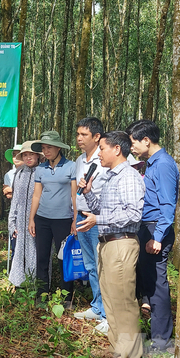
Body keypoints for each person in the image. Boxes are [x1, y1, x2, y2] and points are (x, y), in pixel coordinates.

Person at [77, 131, 146, 358]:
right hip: (106, 244)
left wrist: (99, 218)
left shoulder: (129, 176)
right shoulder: (110, 177)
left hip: (121, 245)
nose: (100, 154)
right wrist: (88, 194)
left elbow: (133, 215)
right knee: (110, 300)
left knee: (124, 304)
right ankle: (119, 351)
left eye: (103, 149)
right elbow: (102, 211)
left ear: (117, 149)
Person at [127, 119, 178, 352]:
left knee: (158, 285)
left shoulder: (164, 164)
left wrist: (157, 236)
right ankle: (155, 334)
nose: (132, 147)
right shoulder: (151, 163)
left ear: (146, 140)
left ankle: (162, 341)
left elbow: (168, 205)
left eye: (133, 142)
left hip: (157, 227)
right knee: (148, 282)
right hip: (146, 226)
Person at [28, 131, 77, 301]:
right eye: (43, 148)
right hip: (42, 218)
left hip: (63, 219)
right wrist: (31, 219)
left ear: (58, 148)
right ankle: (41, 295)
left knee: (63, 258)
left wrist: (75, 219)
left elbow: (74, 195)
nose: (46, 151)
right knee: (42, 257)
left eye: (49, 147)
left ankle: (66, 298)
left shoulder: (71, 166)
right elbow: (36, 195)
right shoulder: (41, 168)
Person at [73, 118, 109, 334]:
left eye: (84, 135)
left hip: (98, 219)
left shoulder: (105, 160)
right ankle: (97, 306)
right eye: (78, 134)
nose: (79, 138)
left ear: (97, 137)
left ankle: (107, 312)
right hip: (80, 217)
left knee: (101, 264)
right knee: (89, 264)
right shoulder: (79, 160)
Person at [7, 141, 43, 287]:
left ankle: (36, 285)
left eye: (31, 154)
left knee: (35, 252)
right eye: (25, 155)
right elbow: (15, 199)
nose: (28, 158)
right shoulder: (20, 172)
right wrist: (12, 221)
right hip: (20, 220)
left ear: (38, 156)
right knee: (20, 251)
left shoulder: (43, 171)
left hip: (37, 220)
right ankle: (20, 283)